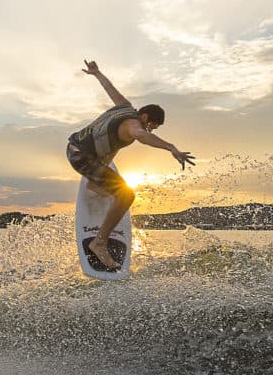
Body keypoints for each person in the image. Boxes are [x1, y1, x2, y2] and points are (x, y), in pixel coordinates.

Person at [67, 59, 195, 270]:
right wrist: (171, 147)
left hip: (74, 147)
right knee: (127, 195)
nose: (151, 129)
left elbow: (110, 89)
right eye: (152, 124)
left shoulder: (124, 106)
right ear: (144, 116)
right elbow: (142, 136)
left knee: (115, 145)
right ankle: (98, 242)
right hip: (82, 158)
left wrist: (97, 73)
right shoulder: (134, 126)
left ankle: (96, 184)